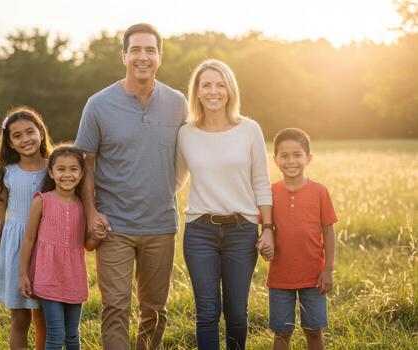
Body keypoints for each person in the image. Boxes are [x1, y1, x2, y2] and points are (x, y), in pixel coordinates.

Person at [74, 23, 187, 350]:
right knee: (116, 308)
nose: (143, 56)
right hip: (114, 227)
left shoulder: (178, 103)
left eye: (150, 50)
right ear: (124, 55)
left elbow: (191, 152)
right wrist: (93, 212)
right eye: (135, 49)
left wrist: (171, 189)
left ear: (160, 57)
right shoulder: (98, 105)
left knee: (154, 310)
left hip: (161, 225)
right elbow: (86, 164)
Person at [175, 59, 274, 350]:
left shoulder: (249, 129)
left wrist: (267, 228)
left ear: (230, 90)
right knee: (206, 312)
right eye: (206, 84)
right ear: (198, 91)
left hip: (241, 231)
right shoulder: (186, 133)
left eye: (220, 84)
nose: (213, 91)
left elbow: (261, 183)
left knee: (235, 312)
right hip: (199, 232)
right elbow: (175, 181)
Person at [0, 106, 51, 350]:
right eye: (17, 135)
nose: (25, 139)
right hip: (14, 248)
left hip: (46, 248)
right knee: (20, 319)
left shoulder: (55, 168)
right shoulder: (7, 172)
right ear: (10, 143)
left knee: (44, 317)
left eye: (30, 132)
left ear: (41, 133)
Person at [19, 145, 98, 350]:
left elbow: (87, 246)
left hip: (74, 276)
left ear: (81, 174)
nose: (67, 174)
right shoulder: (42, 201)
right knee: (56, 333)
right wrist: (23, 274)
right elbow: (28, 239)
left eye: (73, 169)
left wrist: (97, 237)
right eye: (61, 169)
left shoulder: (84, 204)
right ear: (51, 173)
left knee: (73, 334)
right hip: (48, 276)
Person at [267, 128, 337, 350]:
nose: (291, 161)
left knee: (314, 330)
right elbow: (265, 229)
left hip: (314, 276)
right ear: (275, 160)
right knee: (282, 332)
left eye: (297, 155)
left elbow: (328, 231)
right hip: (280, 277)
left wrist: (328, 269)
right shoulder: (269, 193)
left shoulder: (319, 191)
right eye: (284, 155)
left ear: (309, 158)